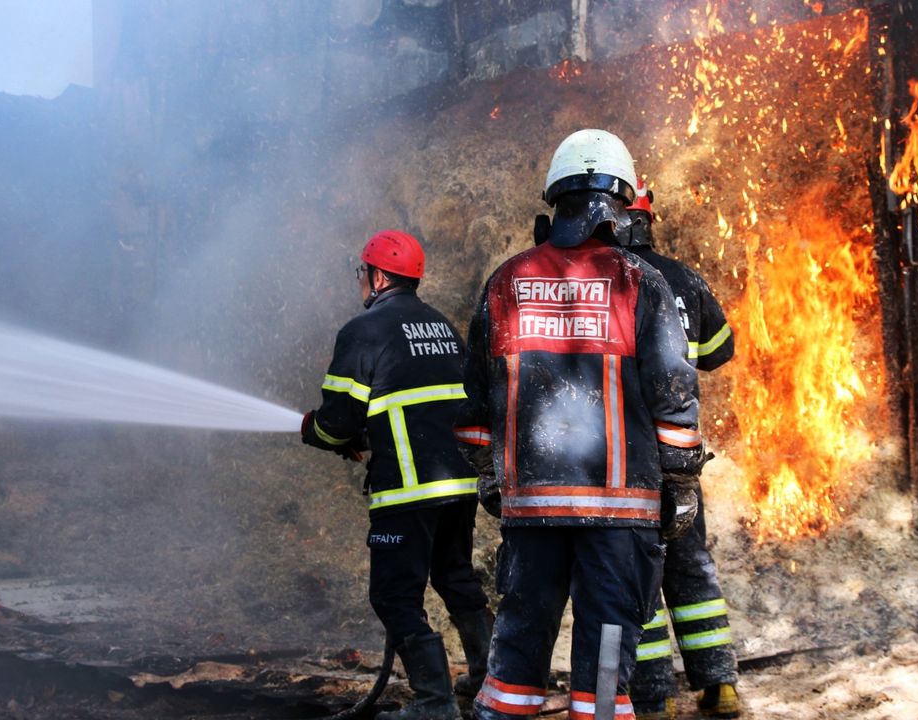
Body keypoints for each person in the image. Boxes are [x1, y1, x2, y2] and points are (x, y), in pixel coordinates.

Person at [454, 129, 705, 720]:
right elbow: (673, 396)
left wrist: (494, 481)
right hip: (618, 519)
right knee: (605, 665)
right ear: (619, 204)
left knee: (516, 651)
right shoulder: (639, 281)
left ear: (555, 199)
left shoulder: (505, 283)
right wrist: (683, 484)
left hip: (532, 513)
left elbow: (473, 409)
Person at [301, 229, 493, 720]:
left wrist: (319, 431)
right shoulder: (441, 326)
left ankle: (434, 702)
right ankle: (490, 679)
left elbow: (335, 421)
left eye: (362, 273)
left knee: (393, 595)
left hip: (409, 491)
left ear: (378, 275)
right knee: (455, 578)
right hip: (459, 481)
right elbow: (417, 405)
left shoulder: (363, 330)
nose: (360, 282)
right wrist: (367, 436)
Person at [622, 181, 741, 719]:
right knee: (692, 566)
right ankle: (720, 686)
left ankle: (654, 697)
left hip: (626, 457)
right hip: (681, 456)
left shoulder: (608, 280)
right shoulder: (684, 278)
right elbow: (720, 351)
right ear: (649, 223)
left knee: (633, 570)